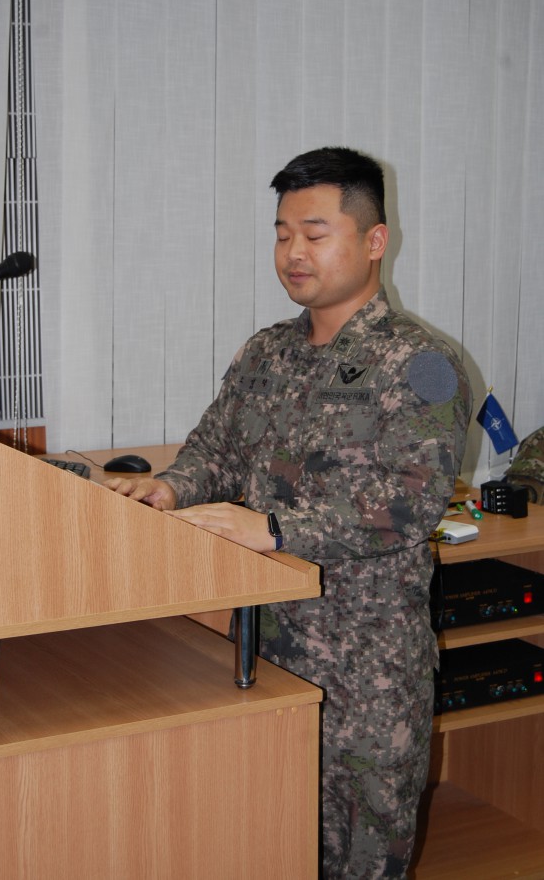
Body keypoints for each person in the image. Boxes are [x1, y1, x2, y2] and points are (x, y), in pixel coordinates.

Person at [105, 146, 472, 878]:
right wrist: (170, 489)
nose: (293, 252)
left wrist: (275, 529)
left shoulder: (421, 363)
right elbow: (216, 447)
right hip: (261, 648)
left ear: (374, 241)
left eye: (314, 233)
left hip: (365, 672)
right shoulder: (266, 353)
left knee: (360, 859)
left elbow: (412, 499)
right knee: (265, 838)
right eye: (281, 234)